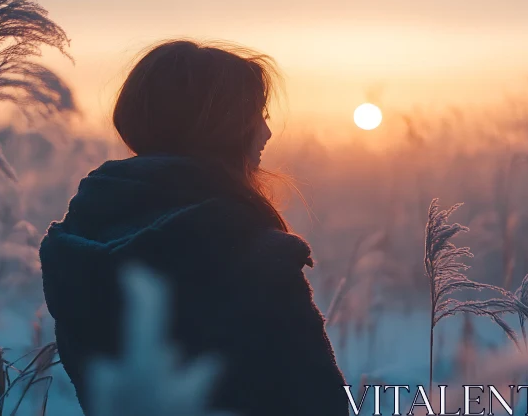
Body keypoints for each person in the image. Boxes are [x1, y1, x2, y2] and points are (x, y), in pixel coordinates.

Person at [39, 39, 349, 415]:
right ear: (223, 126)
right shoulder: (255, 260)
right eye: (259, 115)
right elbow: (321, 402)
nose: (267, 133)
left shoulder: (78, 250)